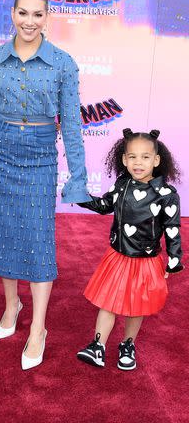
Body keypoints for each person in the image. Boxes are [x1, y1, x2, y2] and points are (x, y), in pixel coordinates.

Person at [0, 0, 90, 370]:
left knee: (40, 240)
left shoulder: (63, 63)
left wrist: (78, 178)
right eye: (22, 13)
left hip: (40, 157)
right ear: (12, 13)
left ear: (47, 16)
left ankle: (38, 328)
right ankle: (12, 303)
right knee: (4, 233)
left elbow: (72, 124)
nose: (29, 21)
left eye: (37, 14)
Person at [76, 128, 183, 371]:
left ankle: (127, 344)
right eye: (132, 156)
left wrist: (174, 259)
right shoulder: (122, 185)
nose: (138, 162)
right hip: (118, 256)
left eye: (145, 157)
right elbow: (104, 206)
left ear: (156, 160)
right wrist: (80, 196)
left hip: (146, 260)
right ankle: (98, 345)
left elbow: (172, 228)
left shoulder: (166, 195)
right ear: (124, 159)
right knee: (108, 302)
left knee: (137, 306)